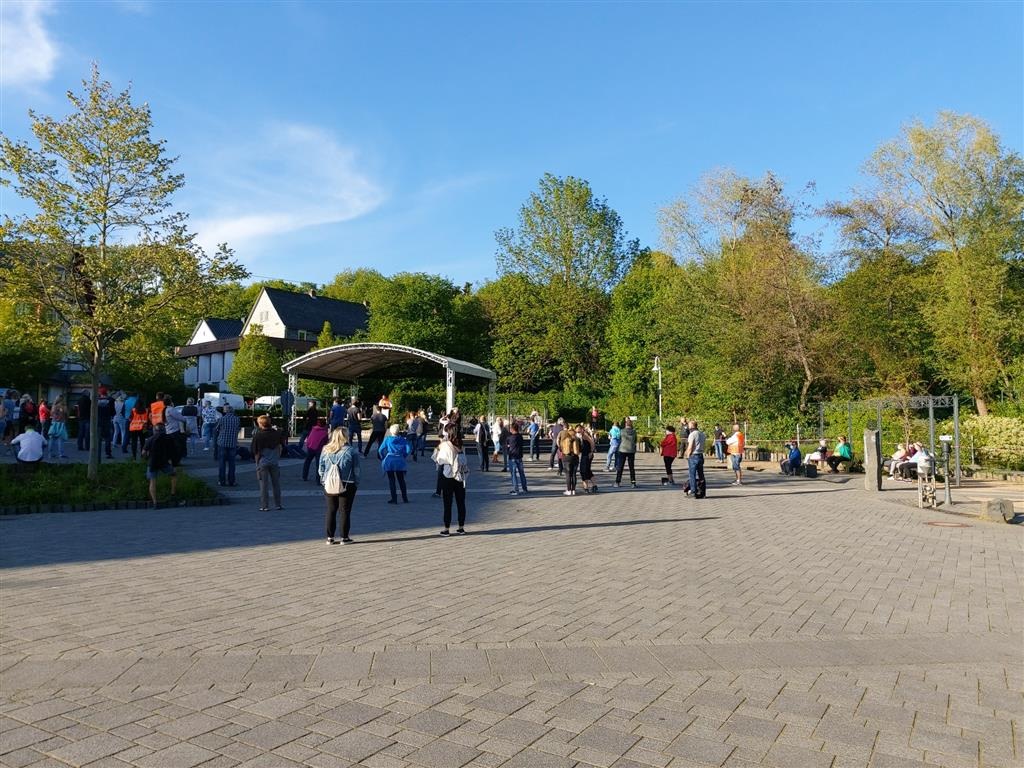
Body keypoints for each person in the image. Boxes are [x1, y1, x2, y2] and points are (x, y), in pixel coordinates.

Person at [319, 427, 361, 544]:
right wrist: (356, 482)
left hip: (329, 483)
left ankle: (330, 537)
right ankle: (344, 537)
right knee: (344, 511)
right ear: (345, 437)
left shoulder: (325, 450)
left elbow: (320, 468)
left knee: (331, 510)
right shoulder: (351, 451)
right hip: (347, 483)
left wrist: (324, 480)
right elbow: (356, 469)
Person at [434, 425, 468, 536]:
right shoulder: (461, 445)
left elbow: (438, 459)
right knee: (461, 502)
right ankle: (461, 527)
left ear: (448, 433)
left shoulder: (444, 445)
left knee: (447, 503)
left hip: (448, 475)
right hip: (460, 476)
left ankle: (446, 528)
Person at [251, 414, 284, 511]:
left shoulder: (258, 436)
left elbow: (256, 452)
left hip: (263, 461)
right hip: (274, 461)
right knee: (276, 484)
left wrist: (257, 464)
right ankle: (278, 504)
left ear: (260, 424)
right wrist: (277, 456)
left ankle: (265, 506)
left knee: (263, 485)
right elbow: (280, 446)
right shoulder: (276, 433)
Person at [141, 424, 177, 506]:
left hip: (152, 462)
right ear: (164, 430)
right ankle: (173, 494)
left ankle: (155, 502)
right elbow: (173, 451)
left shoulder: (150, 439)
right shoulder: (169, 438)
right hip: (164, 462)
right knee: (173, 475)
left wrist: (146, 457)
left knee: (152, 482)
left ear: (154, 431)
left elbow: (143, 453)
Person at [379, 423, 411, 504]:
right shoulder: (403, 440)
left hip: (390, 460)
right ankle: (405, 498)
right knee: (401, 480)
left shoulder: (387, 439)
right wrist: (404, 455)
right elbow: (409, 449)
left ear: (391, 431)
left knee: (391, 480)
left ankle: (394, 498)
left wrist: (383, 457)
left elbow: (380, 450)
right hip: (400, 460)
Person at [214, 404, 240, 486]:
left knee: (222, 463)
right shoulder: (237, 419)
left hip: (222, 443)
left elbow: (216, 429)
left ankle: (222, 481)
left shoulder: (222, 419)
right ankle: (231, 481)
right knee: (232, 464)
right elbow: (238, 429)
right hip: (232, 443)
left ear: (225, 411)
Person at [683, 419, 706, 498]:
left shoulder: (692, 434)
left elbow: (691, 446)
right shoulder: (702, 434)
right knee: (701, 475)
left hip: (694, 455)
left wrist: (688, 455)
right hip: (700, 455)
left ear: (692, 426)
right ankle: (703, 492)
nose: (688, 427)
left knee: (692, 475)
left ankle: (693, 491)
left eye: (689, 425)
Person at [302, 418, 329, 482]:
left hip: (310, 447)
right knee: (318, 464)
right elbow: (326, 442)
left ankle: (304, 476)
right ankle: (318, 479)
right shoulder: (324, 433)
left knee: (307, 462)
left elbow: (309, 439)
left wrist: (308, 446)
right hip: (319, 449)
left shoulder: (313, 429)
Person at [558, 423, 581, 496]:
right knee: (574, 474)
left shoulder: (565, 439)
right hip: (575, 457)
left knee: (568, 474)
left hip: (566, 457)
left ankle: (568, 490)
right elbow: (581, 448)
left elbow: (560, 448)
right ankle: (573, 490)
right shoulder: (577, 439)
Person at [162, 396, 186, 466]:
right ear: (170, 402)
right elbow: (181, 418)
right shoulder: (171, 410)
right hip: (174, 431)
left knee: (170, 447)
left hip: (168, 430)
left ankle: (170, 461)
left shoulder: (165, 410)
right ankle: (175, 462)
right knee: (178, 448)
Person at [505, 421, 528, 494]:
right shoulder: (520, 436)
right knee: (522, 473)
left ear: (512, 429)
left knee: (513, 474)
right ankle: (524, 489)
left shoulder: (510, 437)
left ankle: (516, 489)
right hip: (519, 456)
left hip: (512, 457)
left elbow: (507, 446)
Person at [614, 418, 638, 488]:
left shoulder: (622, 431)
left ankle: (617, 482)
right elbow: (635, 440)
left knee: (620, 467)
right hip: (631, 450)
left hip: (622, 450)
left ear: (625, 424)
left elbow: (619, 438)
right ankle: (633, 483)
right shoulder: (634, 432)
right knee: (631, 467)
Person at [578, 424, 598, 494]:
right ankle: (594, 485)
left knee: (583, 471)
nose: (578, 431)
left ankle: (586, 487)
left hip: (587, 455)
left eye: (579, 430)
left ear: (582, 429)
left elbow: (592, 442)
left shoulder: (585, 435)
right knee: (587, 470)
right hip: (585, 454)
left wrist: (591, 452)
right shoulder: (582, 436)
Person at [96, 388, 115, 458]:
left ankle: (97, 452)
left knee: (98, 437)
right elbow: (113, 412)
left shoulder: (96, 401)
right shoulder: (110, 401)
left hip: (98, 420)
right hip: (107, 420)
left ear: (100, 393)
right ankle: (108, 453)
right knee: (108, 437)